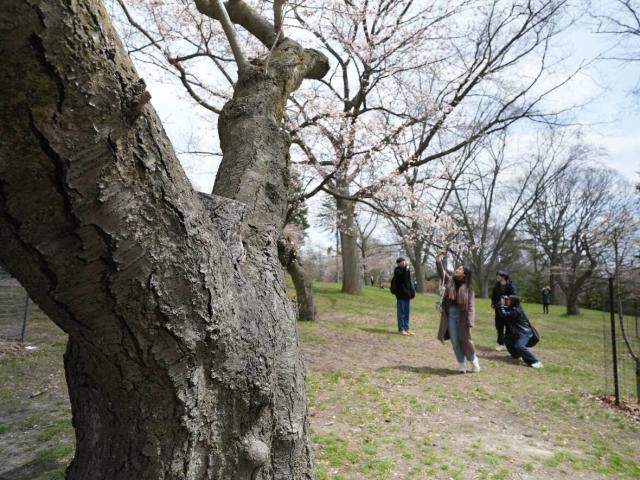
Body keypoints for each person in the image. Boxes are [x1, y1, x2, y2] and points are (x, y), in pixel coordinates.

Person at [436, 252, 480, 373]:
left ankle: (473, 360)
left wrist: (470, 321)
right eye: (457, 268)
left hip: (463, 316)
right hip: (450, 314)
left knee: (465, 340)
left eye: (460, 269)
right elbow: (442, 274)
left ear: (465, 274)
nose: (457, 269)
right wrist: (439, 261)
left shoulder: (468, 289)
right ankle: (461, 364)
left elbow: (471, 306)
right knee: (455, 341)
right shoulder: (450, 281)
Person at [498, 295, 543, 368]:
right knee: (506, 339)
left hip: (524, 333)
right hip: (517, 333)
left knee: (519, 346)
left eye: (509, 300)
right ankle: (516, 355)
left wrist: (501, 305)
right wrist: (501, 305)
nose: (507, 301)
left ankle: (535, 361)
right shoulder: (513, 308)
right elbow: (504, 310)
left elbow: (504, 315)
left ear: (513, 302)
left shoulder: (516, 311)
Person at [490, 270, 517, 351]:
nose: (497, 277)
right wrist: (493, 304)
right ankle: (500, 343)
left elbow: (514, 297)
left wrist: (506, 301)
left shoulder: (511, 286)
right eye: (496, 275)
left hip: (509, 310)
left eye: (499, 275)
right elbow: (493, 297)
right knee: (499, 327)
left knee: (509, 327)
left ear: (504, 277)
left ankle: (509, 343)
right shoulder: (496, 287)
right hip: (499, 310)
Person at [390, 257, 415, 335]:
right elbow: (403, 278)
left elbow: (408, 281)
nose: (404, 263)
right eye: (402, 262)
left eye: (404, 262)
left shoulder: (406, 270)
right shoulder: (397, 271)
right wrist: (406, 268)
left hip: (407, 295)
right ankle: (401, 329)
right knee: (401, 312)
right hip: (401, 295)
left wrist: (412, 292)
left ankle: (406, 328)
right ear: (398, 264)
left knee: (407, 313)